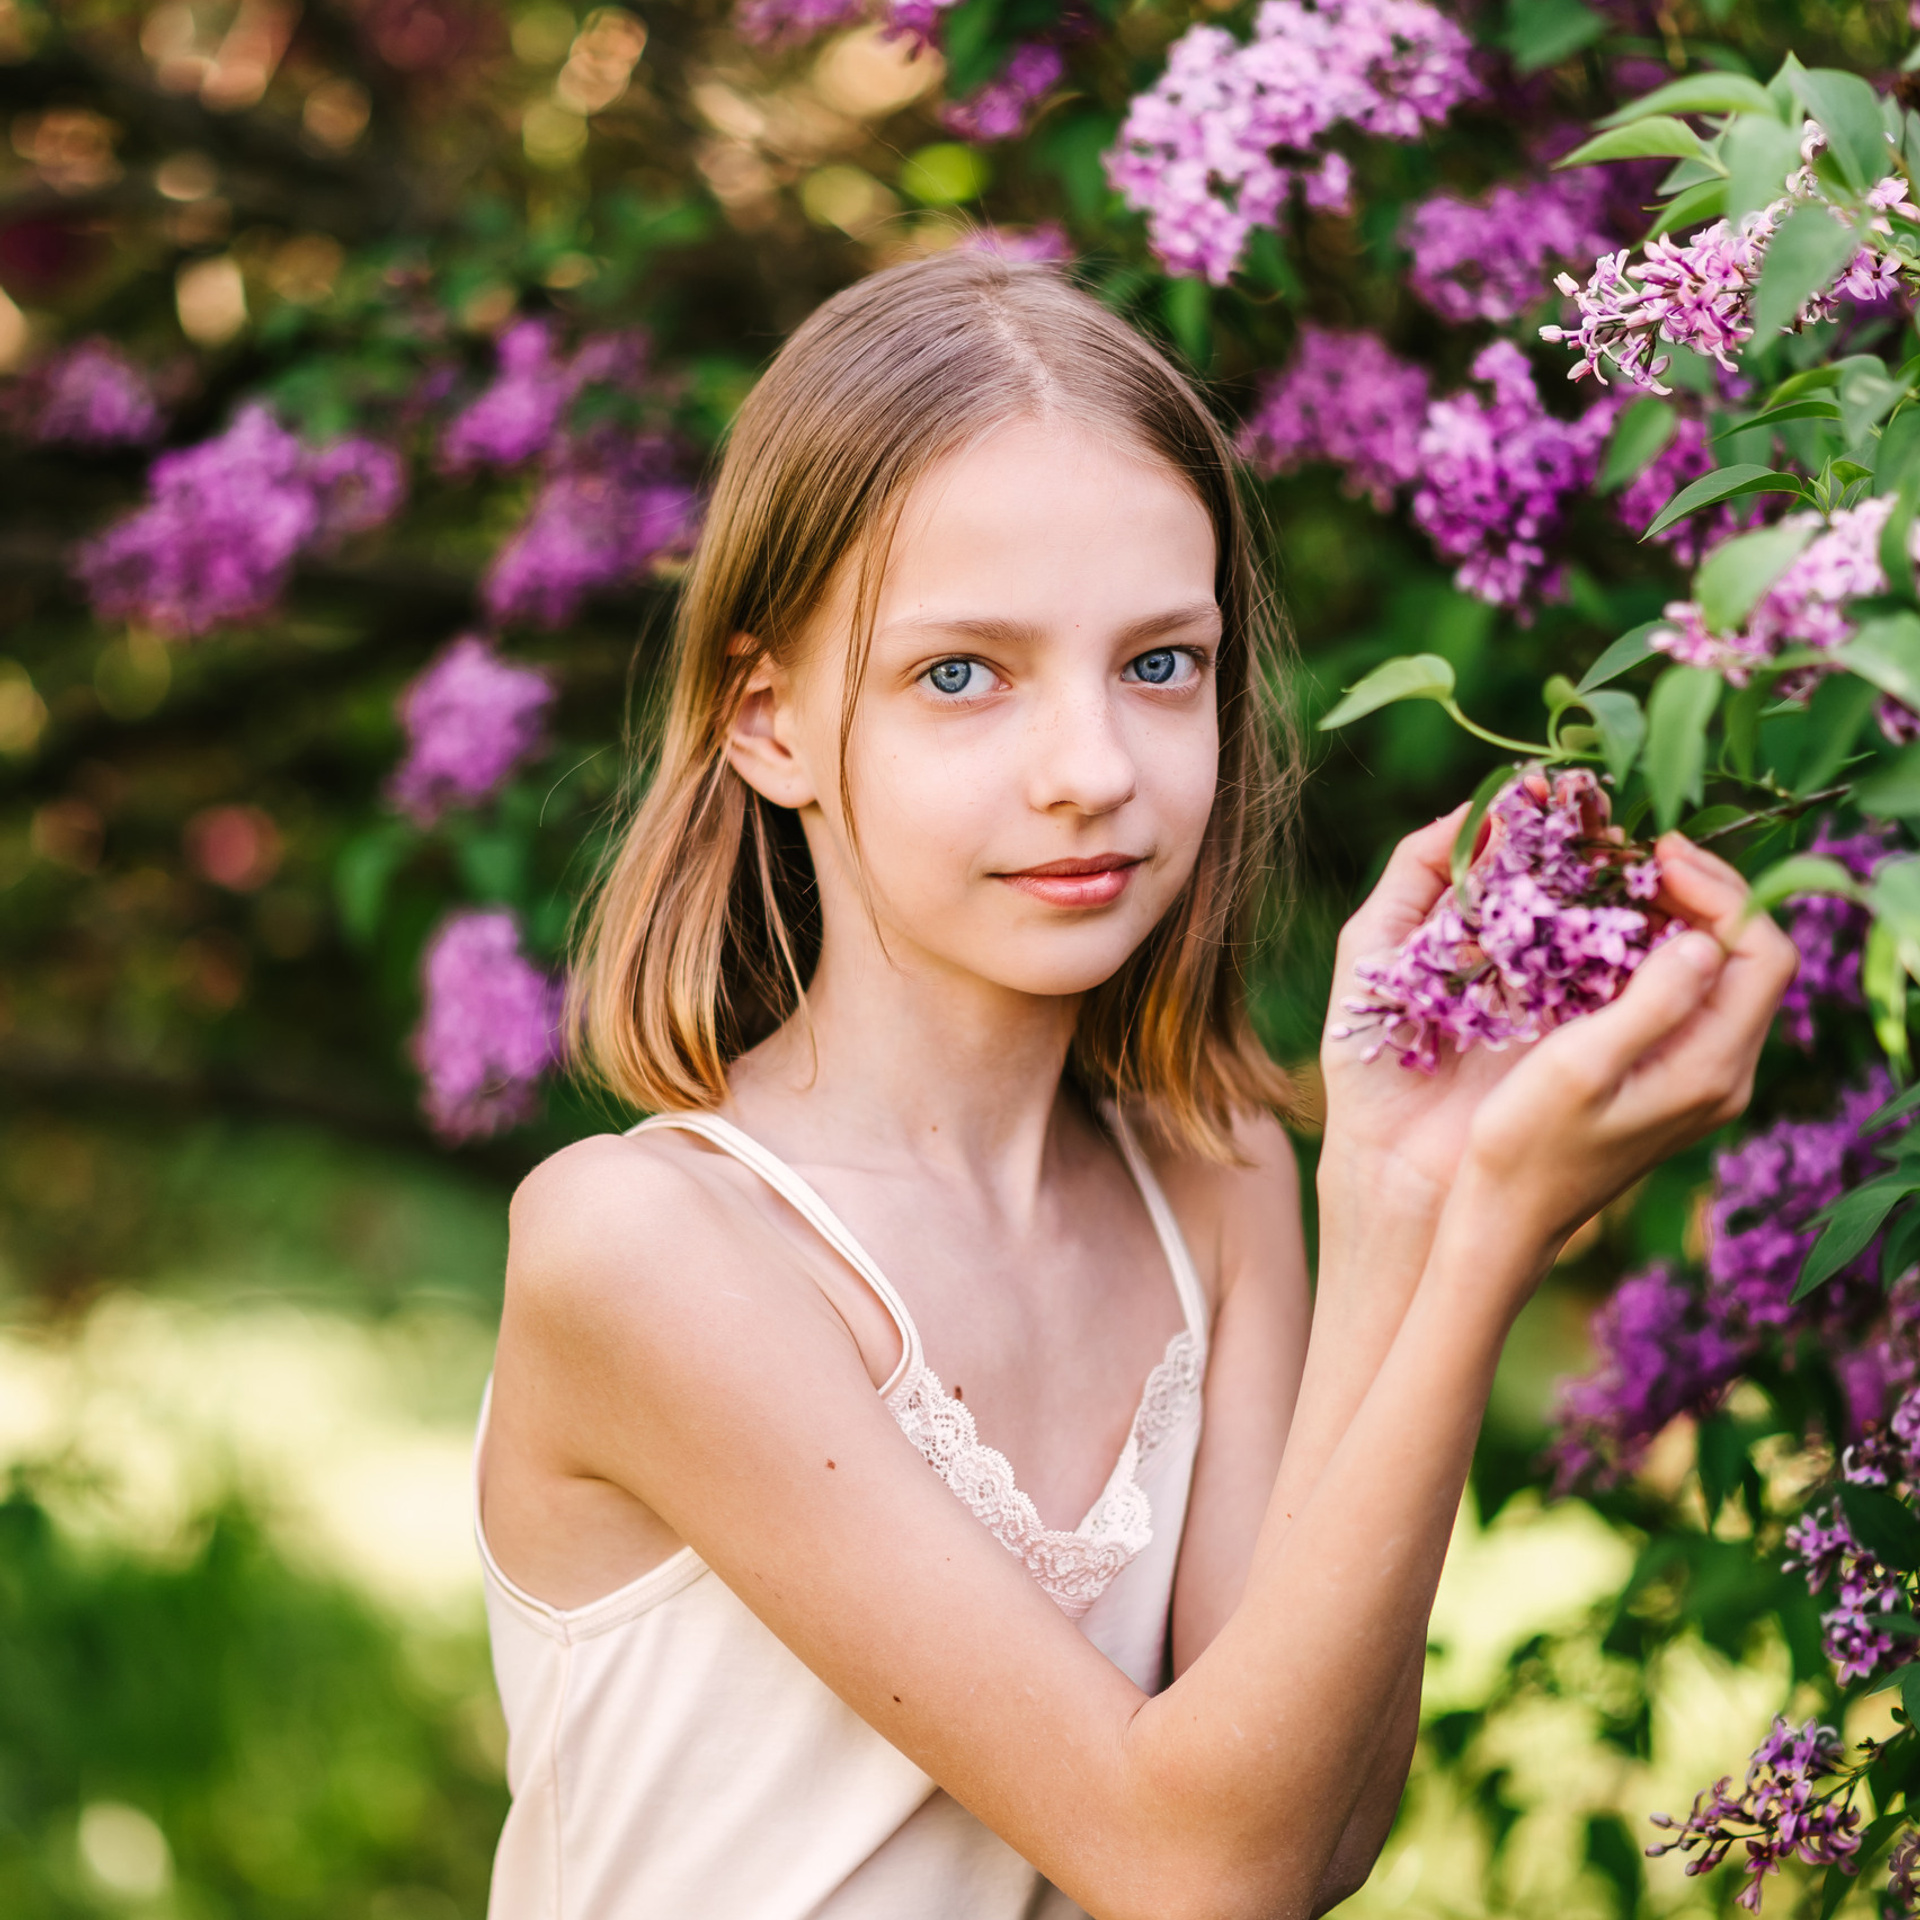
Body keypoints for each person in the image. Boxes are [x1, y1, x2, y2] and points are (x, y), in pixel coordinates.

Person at [472, 249, 1796, 1920]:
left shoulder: (1216, 1177)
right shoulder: (647, 1246)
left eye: (1160, 664)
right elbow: (1193, 1867)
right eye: (963, 675)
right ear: (769, 722)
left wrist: (1401, 1194)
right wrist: (1489, 1240)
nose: (1092, 771)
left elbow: (1302, 1823)